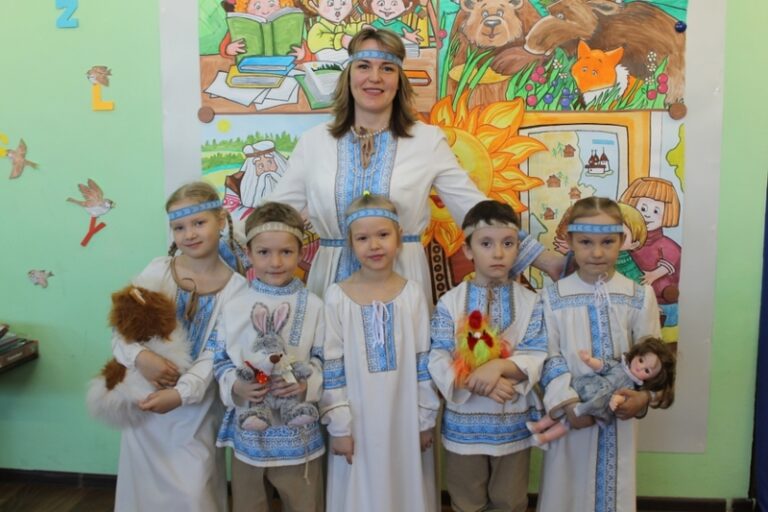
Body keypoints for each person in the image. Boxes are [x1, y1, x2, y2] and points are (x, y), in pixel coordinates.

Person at [266, 27, 561, 301]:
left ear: (399, 81)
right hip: (329, 283)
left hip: (404, 282)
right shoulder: (314, 142)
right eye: (364, 66)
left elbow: (473, 210)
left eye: (387, 68)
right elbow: (273, 216)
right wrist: (235, 248)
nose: (375, 77)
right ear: (348, 76)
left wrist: (544, 259)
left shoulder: (427, 141)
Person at [111, 181, 248, 512]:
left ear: (220, 220)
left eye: (199, 223)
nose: (190, 234)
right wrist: (141, 357)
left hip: (196, 412)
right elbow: (122, 330)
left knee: (194, 492)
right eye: (180, 227)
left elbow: (217, 353)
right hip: (145, 403)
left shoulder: (238, 289)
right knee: (141, 495)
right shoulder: (158, 270)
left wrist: (181, 393)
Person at [537, 196, 662, 512]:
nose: (597, 252)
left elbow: (655, 360)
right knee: (565, 489)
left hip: (620, 416)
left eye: (607, 242)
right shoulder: (552, 297)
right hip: (572, 416)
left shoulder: (639, 296)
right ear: (570, 242)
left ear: (621, 241)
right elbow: (549, 356)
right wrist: (568, 404)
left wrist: (643, 398)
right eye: (586, 242)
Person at [320, 193, 440, 512]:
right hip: (356, 422)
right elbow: (332, 368)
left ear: (398, 237)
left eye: (383, 234)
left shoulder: (412, 294)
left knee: (405, 490)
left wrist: (425, 420)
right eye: (362, 238)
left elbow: (423, 361)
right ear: (350, 243)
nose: (374, 245)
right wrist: (340, 427)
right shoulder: (336, 297)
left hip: (405, 420)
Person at [428, 200, 547, 512]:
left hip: (513, 422)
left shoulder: (531, 302)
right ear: (468, 250)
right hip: (463, 426)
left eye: (508, 243)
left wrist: (497, 367)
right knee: (466, 500)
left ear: (518, 248)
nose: (498, 253)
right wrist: (476, 380)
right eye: (486, 244)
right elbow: (438, 356)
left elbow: (536, 352)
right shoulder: (450, 302)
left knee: (510, 500)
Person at [211, 202, 325, 512]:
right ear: (249, 253)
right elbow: (220, 359)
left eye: (286, 252)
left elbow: (324, 359)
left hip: (298, 434)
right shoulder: (234, 306)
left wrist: (306, 384)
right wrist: (237, 385)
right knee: (249, 504)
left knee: (304, 504)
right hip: (249, 428)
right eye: (264, 252)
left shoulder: (315, 306)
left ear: (301, 252)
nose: (275, 262)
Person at [528, 336, 675, 445]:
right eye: (641, 361)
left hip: (601, 403)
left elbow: (623, 396)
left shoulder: (632, 386)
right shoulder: (619, 365)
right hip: (589, 387)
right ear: (636, 354)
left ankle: (544, 437)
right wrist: (589, 360)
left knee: (569, 423)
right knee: (562, 405)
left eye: (647, 371)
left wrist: (617, 400)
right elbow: (602, 366)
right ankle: (539, 425)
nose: (640, 367)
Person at [619, 177, 682, 344]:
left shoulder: (664, 243)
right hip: (634, 303)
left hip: (662, 298)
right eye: (643, 208)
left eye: (656, 211)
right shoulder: (631, 241)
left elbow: (672, 258)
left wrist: (654, 275)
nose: (647, 214)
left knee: (659, 340)